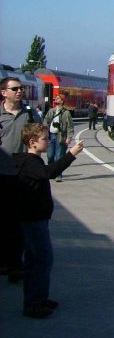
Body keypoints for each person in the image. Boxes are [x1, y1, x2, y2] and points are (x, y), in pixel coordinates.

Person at [14, 123, 84, 318]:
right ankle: (34, 304)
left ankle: (38, 298)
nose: (48, 140)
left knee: (34, 260)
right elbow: (49, 173)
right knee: (42, 259)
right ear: (32, 142)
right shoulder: (31, 163)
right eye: (45, 138)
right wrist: (72, 154)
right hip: (33, 219)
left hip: (35, 218)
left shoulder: (29, 161)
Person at [0, 77, 36, 283]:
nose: (20, 91)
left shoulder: (30, 114)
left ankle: (15, 264)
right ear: (4, 92)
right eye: (15, 88)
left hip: (22, 176)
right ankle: (3, 261)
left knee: (19, 223)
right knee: (3, 222)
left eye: (21, 88)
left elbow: (40, 137)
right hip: (1, 175)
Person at [42, 95, 74, 181]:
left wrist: (69, 137)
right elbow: (45, 120)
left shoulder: (66, 113)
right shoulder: (51, 111)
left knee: (58, 157)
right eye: (55, 98)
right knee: (50, 156)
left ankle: (58, 175)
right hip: (50, 136)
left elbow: (70, 126)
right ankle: (50, 172)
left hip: (60, 137)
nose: (55, 99)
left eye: (58, 98)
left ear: (62, 101)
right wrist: (45, 131)